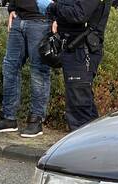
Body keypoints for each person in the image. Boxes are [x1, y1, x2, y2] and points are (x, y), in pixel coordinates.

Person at [0, 0, 52, 138]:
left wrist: (56, 17)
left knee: (38, 71)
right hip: (18, 19)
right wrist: (12, 8)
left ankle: (36, 120)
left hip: (41, 21)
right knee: (10, 68)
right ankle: (8, 118)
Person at [46, 0, 110, 131]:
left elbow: (79, 14)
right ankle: (91, 144)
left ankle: (82, 146)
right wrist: (56, 14)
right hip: (75, 47)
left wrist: (54, 7)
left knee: (79, 108)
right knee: (82, 104)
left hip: (81, 49)